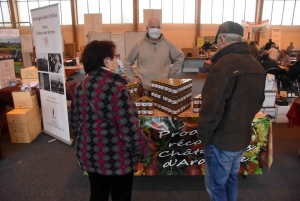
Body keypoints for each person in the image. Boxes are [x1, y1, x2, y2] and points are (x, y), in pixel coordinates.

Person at [197, 21, 266, 201]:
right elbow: (259, 102)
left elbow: (211, 109)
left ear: (221, 38)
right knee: (230, 179)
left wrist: (205, 136)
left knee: (216, 186)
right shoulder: (256, 66)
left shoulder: (222, 66)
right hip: (241, 137)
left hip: (221, 140)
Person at [70, 40, 145, 201]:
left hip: (90, 156)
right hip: (117, 158)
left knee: (97, 194)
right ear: (106, 60)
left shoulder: (79, 87)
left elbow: (75, 124)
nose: (117, 60)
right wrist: (140, 149)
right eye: (115, 56)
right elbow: (129, 130)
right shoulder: (118, 89)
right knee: (121, 196)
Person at [123, 17, 184, 96]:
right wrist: (132, 78)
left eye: (158, 27)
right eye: (153, 27)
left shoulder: (168, 44)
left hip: (162, 87)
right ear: (147, 29)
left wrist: (170, 73)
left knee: (161, 108)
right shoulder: (139, 44)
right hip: (143, 88)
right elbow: (127, 61)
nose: (156, 29)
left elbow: (180, 56)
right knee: (144, 107)